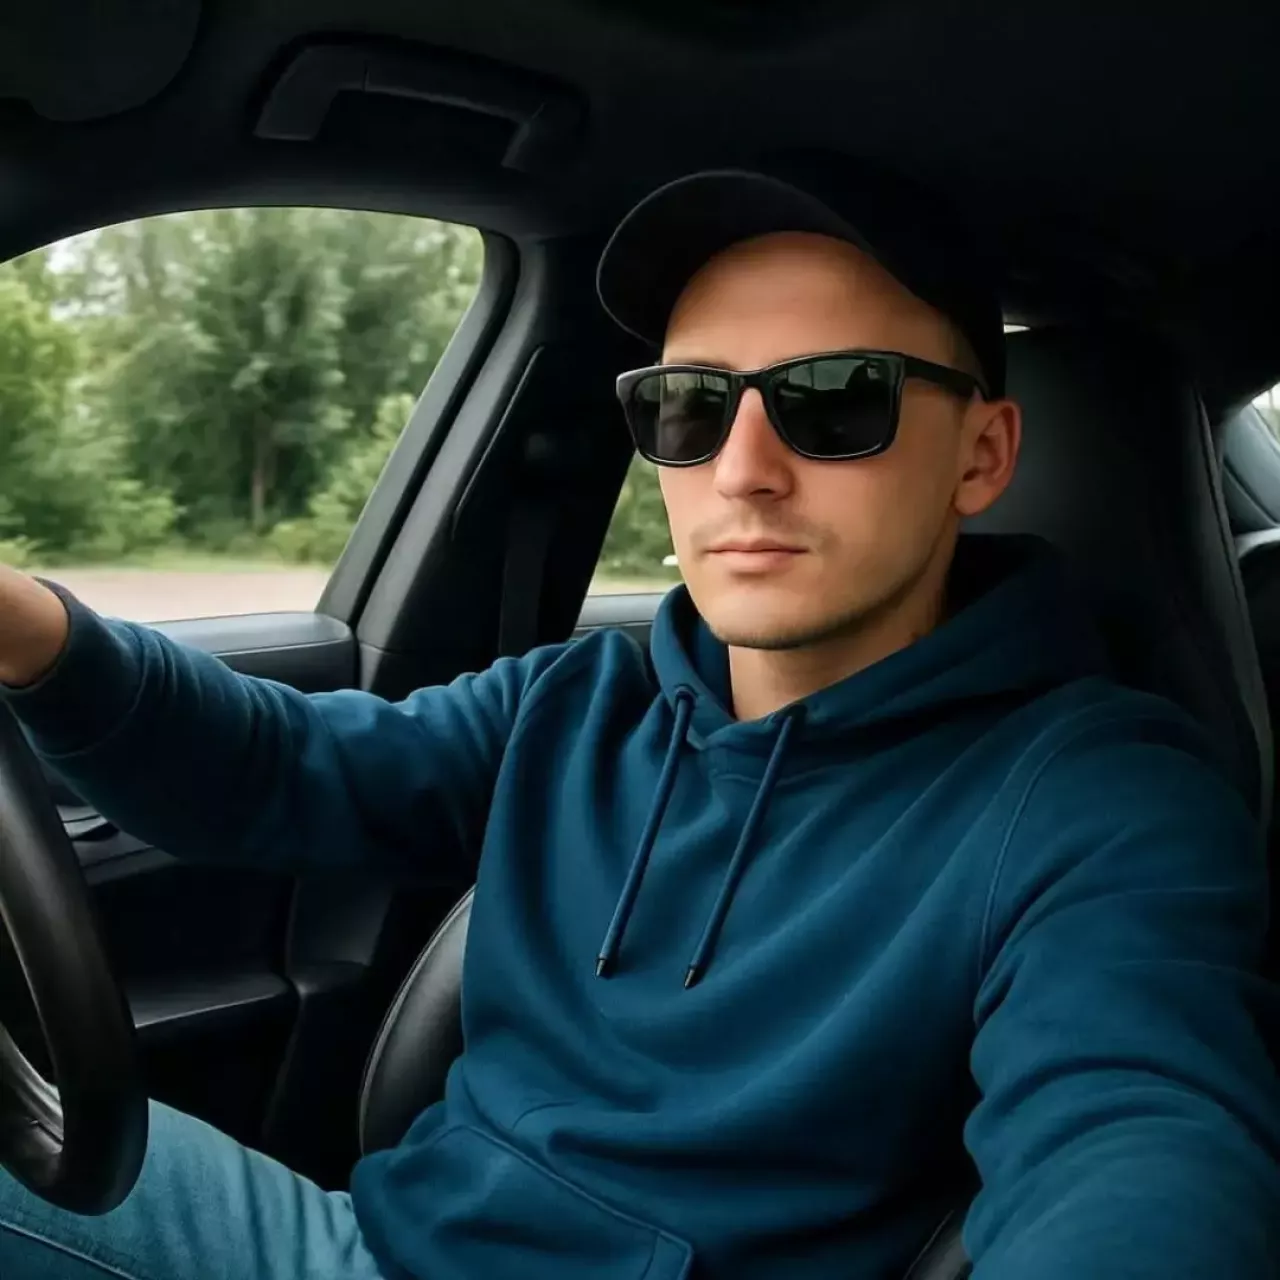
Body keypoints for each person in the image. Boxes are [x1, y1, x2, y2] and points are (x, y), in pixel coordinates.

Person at [0, 154, 1278, 1280]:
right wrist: (32, 633)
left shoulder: (1099, 800)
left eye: (838, 398)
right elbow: (282, 769)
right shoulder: (579, 699)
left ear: (981, 454)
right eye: (689, 405)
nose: (742, 468)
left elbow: (1135, 1139)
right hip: (368, 1246)